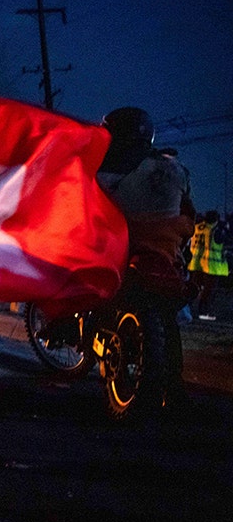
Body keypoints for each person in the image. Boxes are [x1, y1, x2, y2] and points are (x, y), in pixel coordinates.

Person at [95, 106, 195, 410]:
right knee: (170, 315)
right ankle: (174, 389)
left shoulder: (103, 169)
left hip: (122, 250)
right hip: (163, 254)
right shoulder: (174, 169)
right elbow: (188, 213)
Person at [188, 210, 228, 321]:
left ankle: (186, 310)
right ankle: (203, 312)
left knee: (192, 289)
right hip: (211, 266)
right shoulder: (216, 230)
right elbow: (223, 241)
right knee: (209, 291)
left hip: (195, 262)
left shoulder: (197, 227)